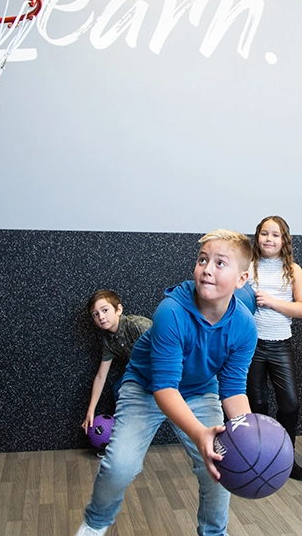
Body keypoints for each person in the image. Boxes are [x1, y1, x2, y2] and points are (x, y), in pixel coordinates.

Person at [75, 230, 257, 536]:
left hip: (200, 390)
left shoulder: (245, 327)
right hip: (146, 387)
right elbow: (164, 388)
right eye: (202, 260)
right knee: (119, 467)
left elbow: (234, 388)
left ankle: (214, 533)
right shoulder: (171, 312)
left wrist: (248, 435)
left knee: (217, 466)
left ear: (242, 279)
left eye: (220, 263)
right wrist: (200, 433)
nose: (207, 269)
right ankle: (95, 523)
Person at [246, 215, 302, 482]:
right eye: (264, 234)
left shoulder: (293, 270)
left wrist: (273, 302)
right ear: (257, 236)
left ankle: (287, 458)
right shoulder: (247, 267)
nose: (269, 239)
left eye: (275, 234)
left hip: (279, 344)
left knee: (290, 403)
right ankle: (260, 459)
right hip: (250, 346)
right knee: (256, 405)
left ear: (284, 239)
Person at [81, 290, 153, 436]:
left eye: (105, 310)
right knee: (118, 389)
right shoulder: (108, 341)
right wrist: (91, 410)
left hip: (162, 371)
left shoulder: (137, 325)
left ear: (118, 309)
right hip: (140, 373)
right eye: (95, 314)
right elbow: (101, 376)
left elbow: (166, 349)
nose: (101, 317)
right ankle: (124, 435)